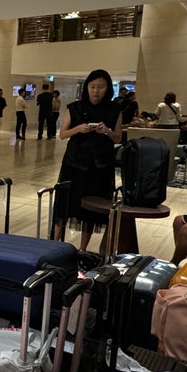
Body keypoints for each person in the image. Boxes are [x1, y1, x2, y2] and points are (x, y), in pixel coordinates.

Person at [52, 69, 123, 251]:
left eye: (100, 87)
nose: (95, 91)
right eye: (92, 87)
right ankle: (54, 244)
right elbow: (62, 134)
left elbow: (117, 137)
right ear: (86, 88)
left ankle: (83, 250)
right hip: (74, 163)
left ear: (107, 88)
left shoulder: (114, 110)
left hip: (100, 165)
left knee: (91, 210)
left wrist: (106, 131)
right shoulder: (74, 107)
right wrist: (79, 129)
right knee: (65, 205)